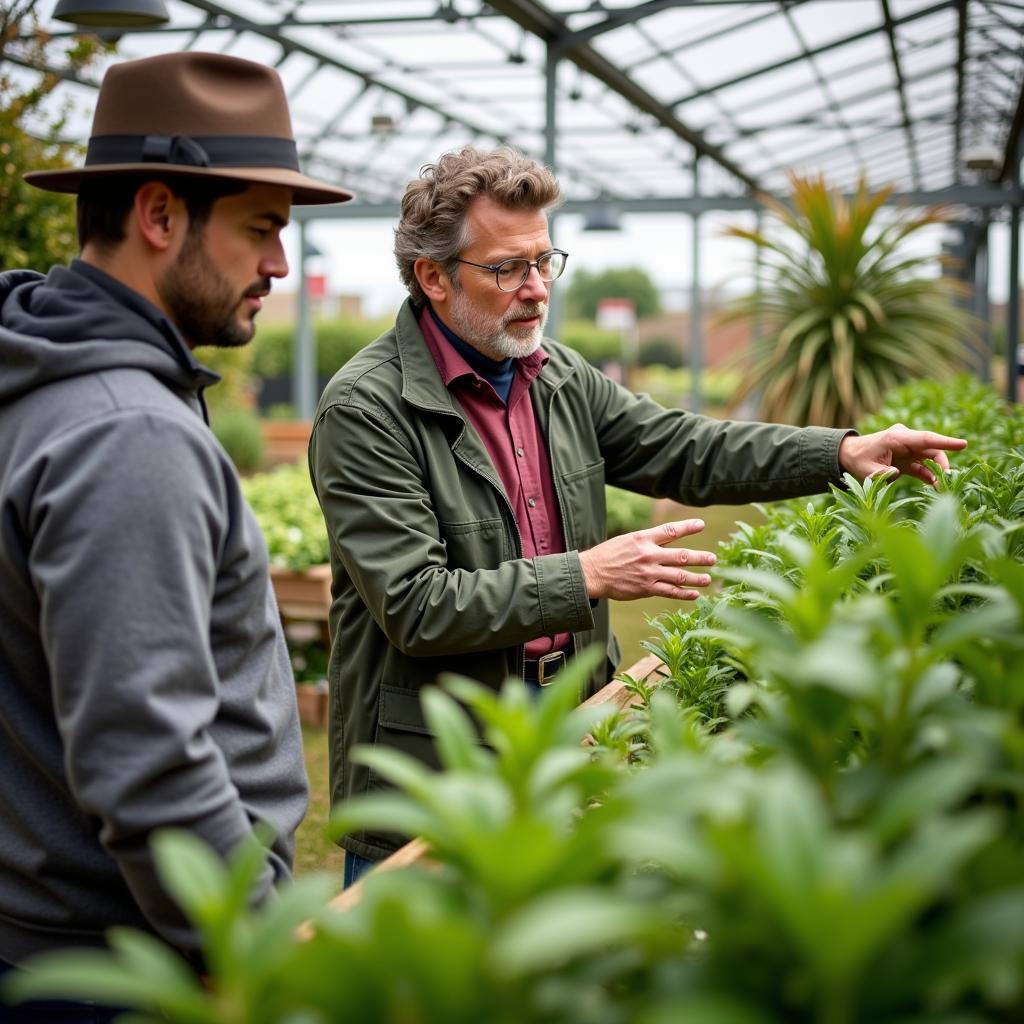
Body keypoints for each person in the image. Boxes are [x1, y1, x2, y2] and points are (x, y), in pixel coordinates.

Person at [308, 145, 967, 884]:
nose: (535, 290)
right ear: (432, 276)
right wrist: (587, 574)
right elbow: (416, 605)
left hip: (571, 711)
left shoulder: (555, 376)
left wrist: (841, 452)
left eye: (544, 261)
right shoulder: (368, 408)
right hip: (438, 750)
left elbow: (691, 447)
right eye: (507, 269)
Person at [0, 51, 352, 1019]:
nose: (280, 266)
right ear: (158, 215)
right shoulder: (127, 432)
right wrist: (257, 951)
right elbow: (146, 755)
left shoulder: (41, 380)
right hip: (129, 967)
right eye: (261, 229)